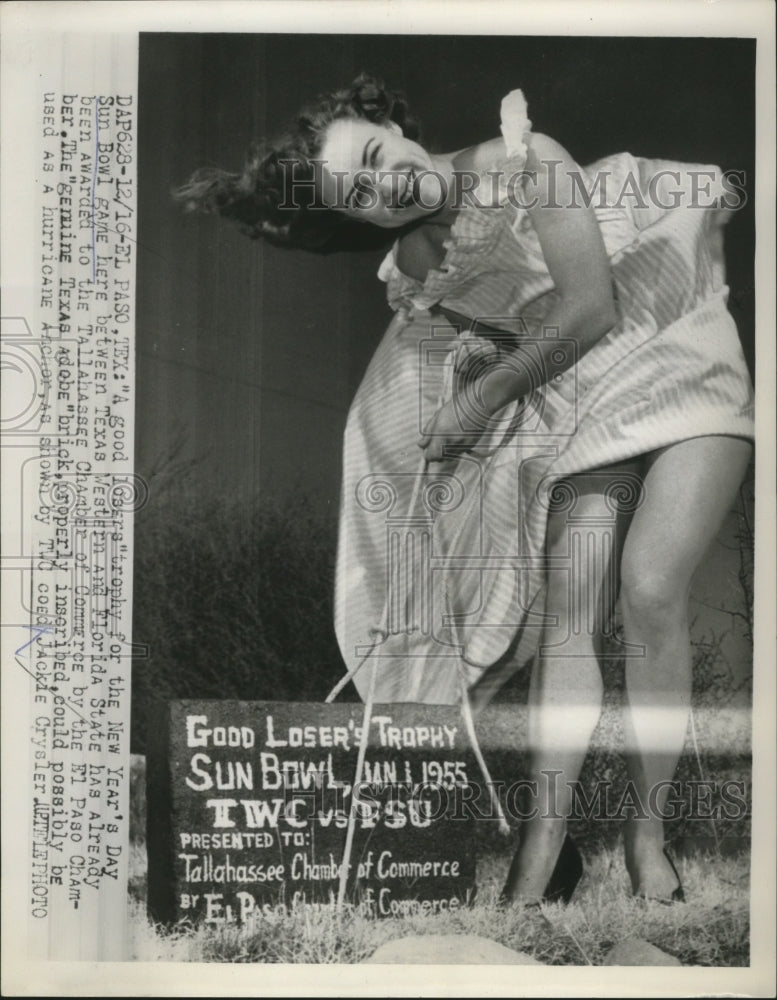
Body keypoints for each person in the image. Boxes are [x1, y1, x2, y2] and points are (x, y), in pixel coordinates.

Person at [175, 74, 754, 906]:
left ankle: (646, 837)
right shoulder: (417, 261)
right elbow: (435, 368)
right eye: (362, 196)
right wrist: (450, 419)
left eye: (376, 157)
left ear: (389, 121)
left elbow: (590, 308)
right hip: (587, 409)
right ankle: (539, 851)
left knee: (651, 588)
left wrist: (480, 398)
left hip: (677, 352)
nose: (387, 186)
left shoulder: (532, 160)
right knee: (571, 607)